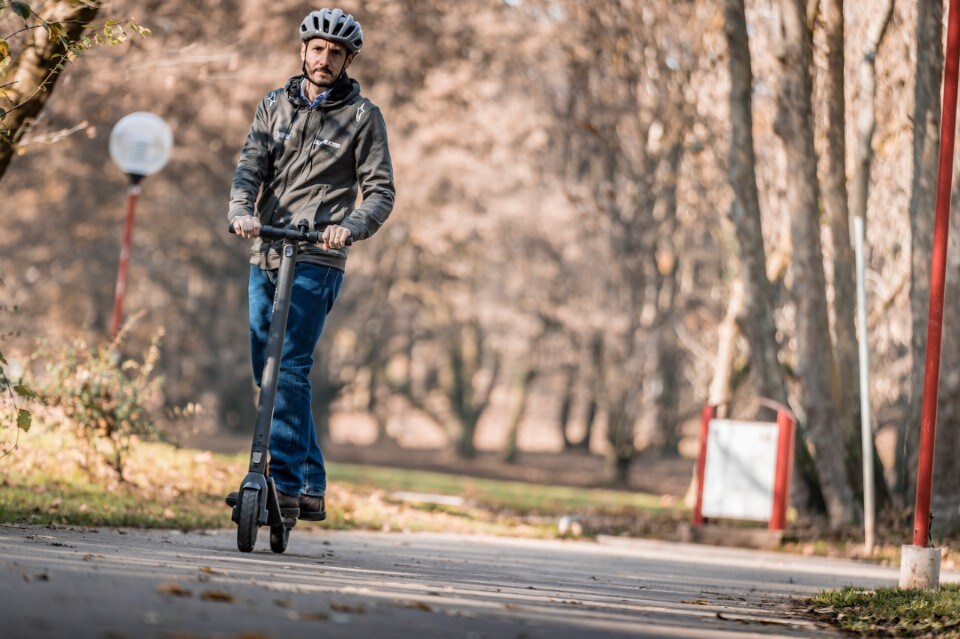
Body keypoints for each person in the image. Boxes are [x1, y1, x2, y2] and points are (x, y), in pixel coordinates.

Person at [227, 8, 395, 521]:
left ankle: (288, 483)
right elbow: (250, 168)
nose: (325, 59)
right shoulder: (273, 106)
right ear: (303, 51)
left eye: (336, 52)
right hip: (269, 247)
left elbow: (381, 192)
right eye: (318, 49)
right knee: (267, 367)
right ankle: (313, 479)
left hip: (318, 254)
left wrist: (351, 226)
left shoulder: (363, 116)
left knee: (290, 364)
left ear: (348, 60)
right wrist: (240, 210)